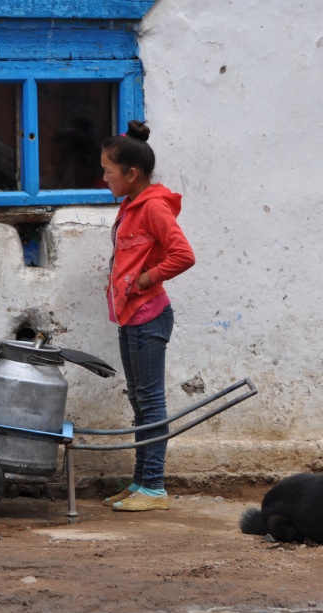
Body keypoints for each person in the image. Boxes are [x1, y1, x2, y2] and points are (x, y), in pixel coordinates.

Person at [100, 120, 195, 512]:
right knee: (140, 401)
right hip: (131, 318)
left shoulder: (153, 206)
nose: (104, 177)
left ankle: (154, 487)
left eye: (108, 171)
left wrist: (144, 279)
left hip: (148, 316)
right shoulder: (131, 204)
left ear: (131, 174)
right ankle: (140, 482)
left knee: (151, 402)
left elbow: (183, 255)